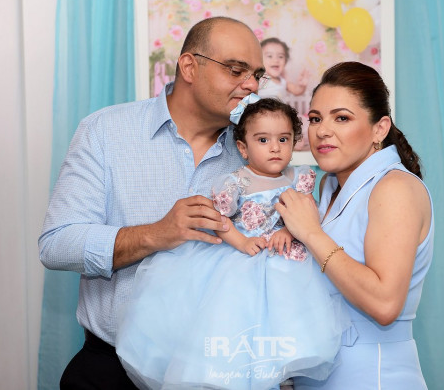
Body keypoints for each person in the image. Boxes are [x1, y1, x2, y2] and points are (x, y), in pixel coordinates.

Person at [38, 16, 269, 389]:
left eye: (257, 75)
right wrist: (156, 234)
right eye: (236, 70)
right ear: (189, 66)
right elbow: (57, 244)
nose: (252, 85)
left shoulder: (255, 154)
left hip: (218, 373)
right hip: (110, 372)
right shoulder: (105, 131)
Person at [116, 97, 353, 390]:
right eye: (263, 140)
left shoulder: (298, 178)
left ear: (294, 142)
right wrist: (241, 241)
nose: (275, 147)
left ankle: (281, 374)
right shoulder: (236, 182)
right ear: (243, 148)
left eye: (283, 139)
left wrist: (289, 232)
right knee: (236, 319)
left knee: (287, 321)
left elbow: (309, 214)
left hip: (286, 264)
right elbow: (218, 219)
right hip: (242, 262)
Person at [275, 61, 434, 389]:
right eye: (315, 119)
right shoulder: (328, 186)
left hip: (373, 377)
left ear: (379, 129)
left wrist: (311, 233)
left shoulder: (394, 188)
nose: (322, 131)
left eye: (342, 118)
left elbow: (384, 303)